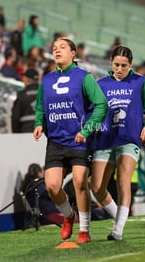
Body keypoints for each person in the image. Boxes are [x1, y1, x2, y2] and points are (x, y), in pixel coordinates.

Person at [33, 37, 108, 243]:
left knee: (79, 182)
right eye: (54, 48)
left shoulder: (85, 77)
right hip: (56, 142)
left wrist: (87, 129)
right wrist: (39, 123)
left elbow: (102, 105)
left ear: (73, 53)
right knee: (52, 187)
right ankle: (68, 216)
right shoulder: (46, 80)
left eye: (62, 48)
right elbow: (40, 107)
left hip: (79, 140)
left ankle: (84, 230)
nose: (57, 51)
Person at [90, 45, 145, 240]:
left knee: (123, 180)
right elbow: (93, 110)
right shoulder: (100, 84)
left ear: (131, 65)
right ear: (111, 63)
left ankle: (118, 228)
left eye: (124, 65)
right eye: (117, 65)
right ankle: (119, 215)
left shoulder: (141, 82)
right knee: (97, 187)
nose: (120, 69)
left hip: (129, 139)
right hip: (105, 139)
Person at [11, 68, 40, 133]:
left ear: (27, 80)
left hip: (26, 130)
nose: (23, 79)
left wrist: (16, 133)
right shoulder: (46, 93)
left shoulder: (22, 95)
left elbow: (15, 117)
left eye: (24, 77)